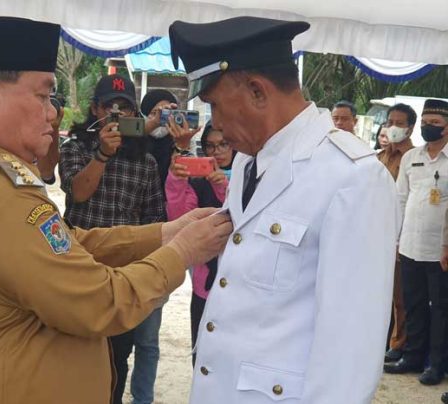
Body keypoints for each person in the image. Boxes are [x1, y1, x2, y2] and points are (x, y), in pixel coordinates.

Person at [0, 17, 232, 404]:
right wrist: (182, 253)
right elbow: (102, 303)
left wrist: (163, 234)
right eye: (43, 97)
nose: (51, 114)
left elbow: (66, 243)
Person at [169, 16, 399, 403]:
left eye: (216, 107)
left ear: (258, 91)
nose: (217, 126)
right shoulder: (248, 161)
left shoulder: (353, 177)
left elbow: (349, 356)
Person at [59, 74, 168, 404]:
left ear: (135, 114)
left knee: (117, 359)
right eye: (111, 106)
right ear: (95, 109)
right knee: (68, 355)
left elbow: (153, 220)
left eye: (125, 107)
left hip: (121, 277)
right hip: (76, 269)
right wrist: (103, 155)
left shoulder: (145, 161)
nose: (118, 114)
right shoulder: (76, 146)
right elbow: (78, 192)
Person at [385, 99, 448, 386]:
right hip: (410, 244)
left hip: (441, 249)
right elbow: (400, 199)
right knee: (414, 304)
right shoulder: (412, 158)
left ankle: (436, 364)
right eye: (425, 121)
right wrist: (396, 239)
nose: (427, 127)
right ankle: (411, 356)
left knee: (441, 309)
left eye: (434, 123)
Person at [165, 121, 234, 366]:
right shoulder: (198, 181)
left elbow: (242, 220)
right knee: (203, 359)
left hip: (239, 286)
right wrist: (176, 181)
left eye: (223, 144)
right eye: (210, 146)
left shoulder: (253, 175)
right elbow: (180, 221)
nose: (217, 152)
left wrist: (223, 189)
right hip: (205, 287)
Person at [377, 103, 415, 364]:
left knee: (400, 296)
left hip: (402, 234)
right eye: (390, 121)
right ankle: (380, 338)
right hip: (376, 232)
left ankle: (399, 344)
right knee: (378, 291)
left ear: (410, 127)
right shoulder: (379, 156)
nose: (393, 127)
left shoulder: (413, 157)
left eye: (399, 123)